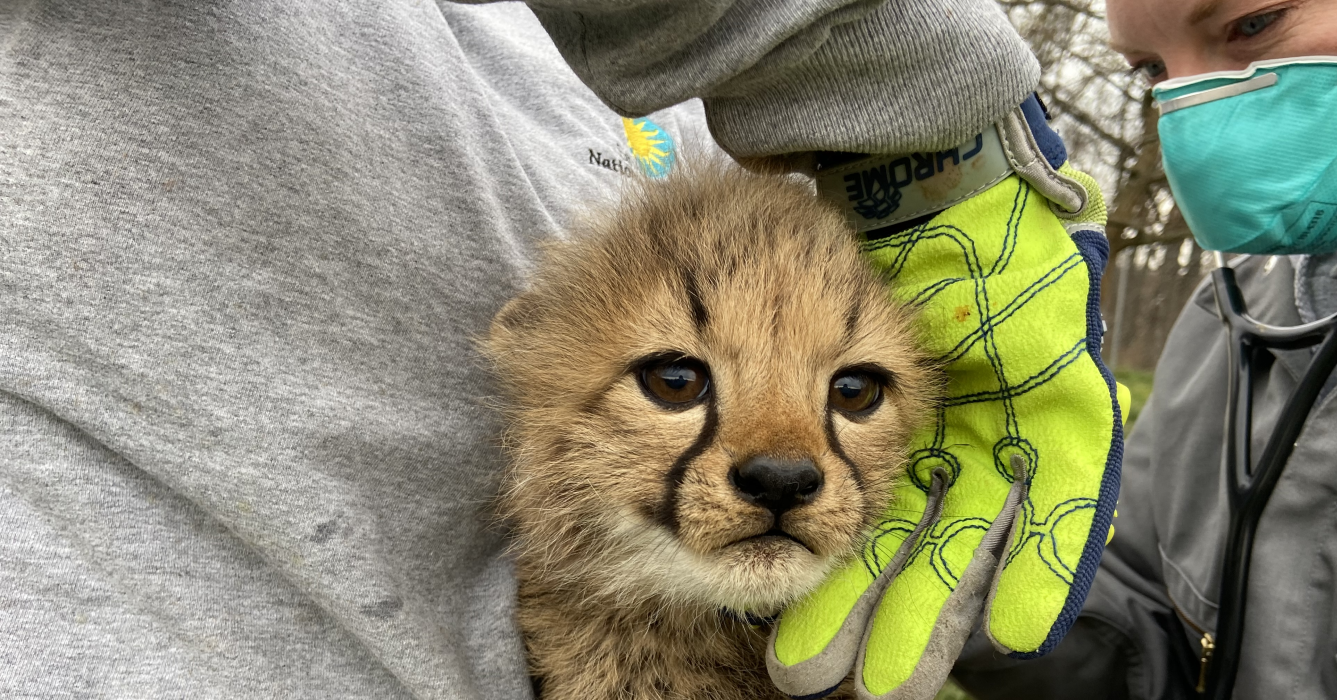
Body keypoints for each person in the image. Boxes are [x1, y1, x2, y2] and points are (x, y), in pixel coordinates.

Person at [0, 2, 1070, 698]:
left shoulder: (670, 83)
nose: (785, 456)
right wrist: (915, 67)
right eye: (676, 378)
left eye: (852, 389)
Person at [953, 1, 1337, 698]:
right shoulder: (1229, 321)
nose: (1190, 109)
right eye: (1152, 69)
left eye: (1254, 23)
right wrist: (970, 579)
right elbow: (1140, 627)